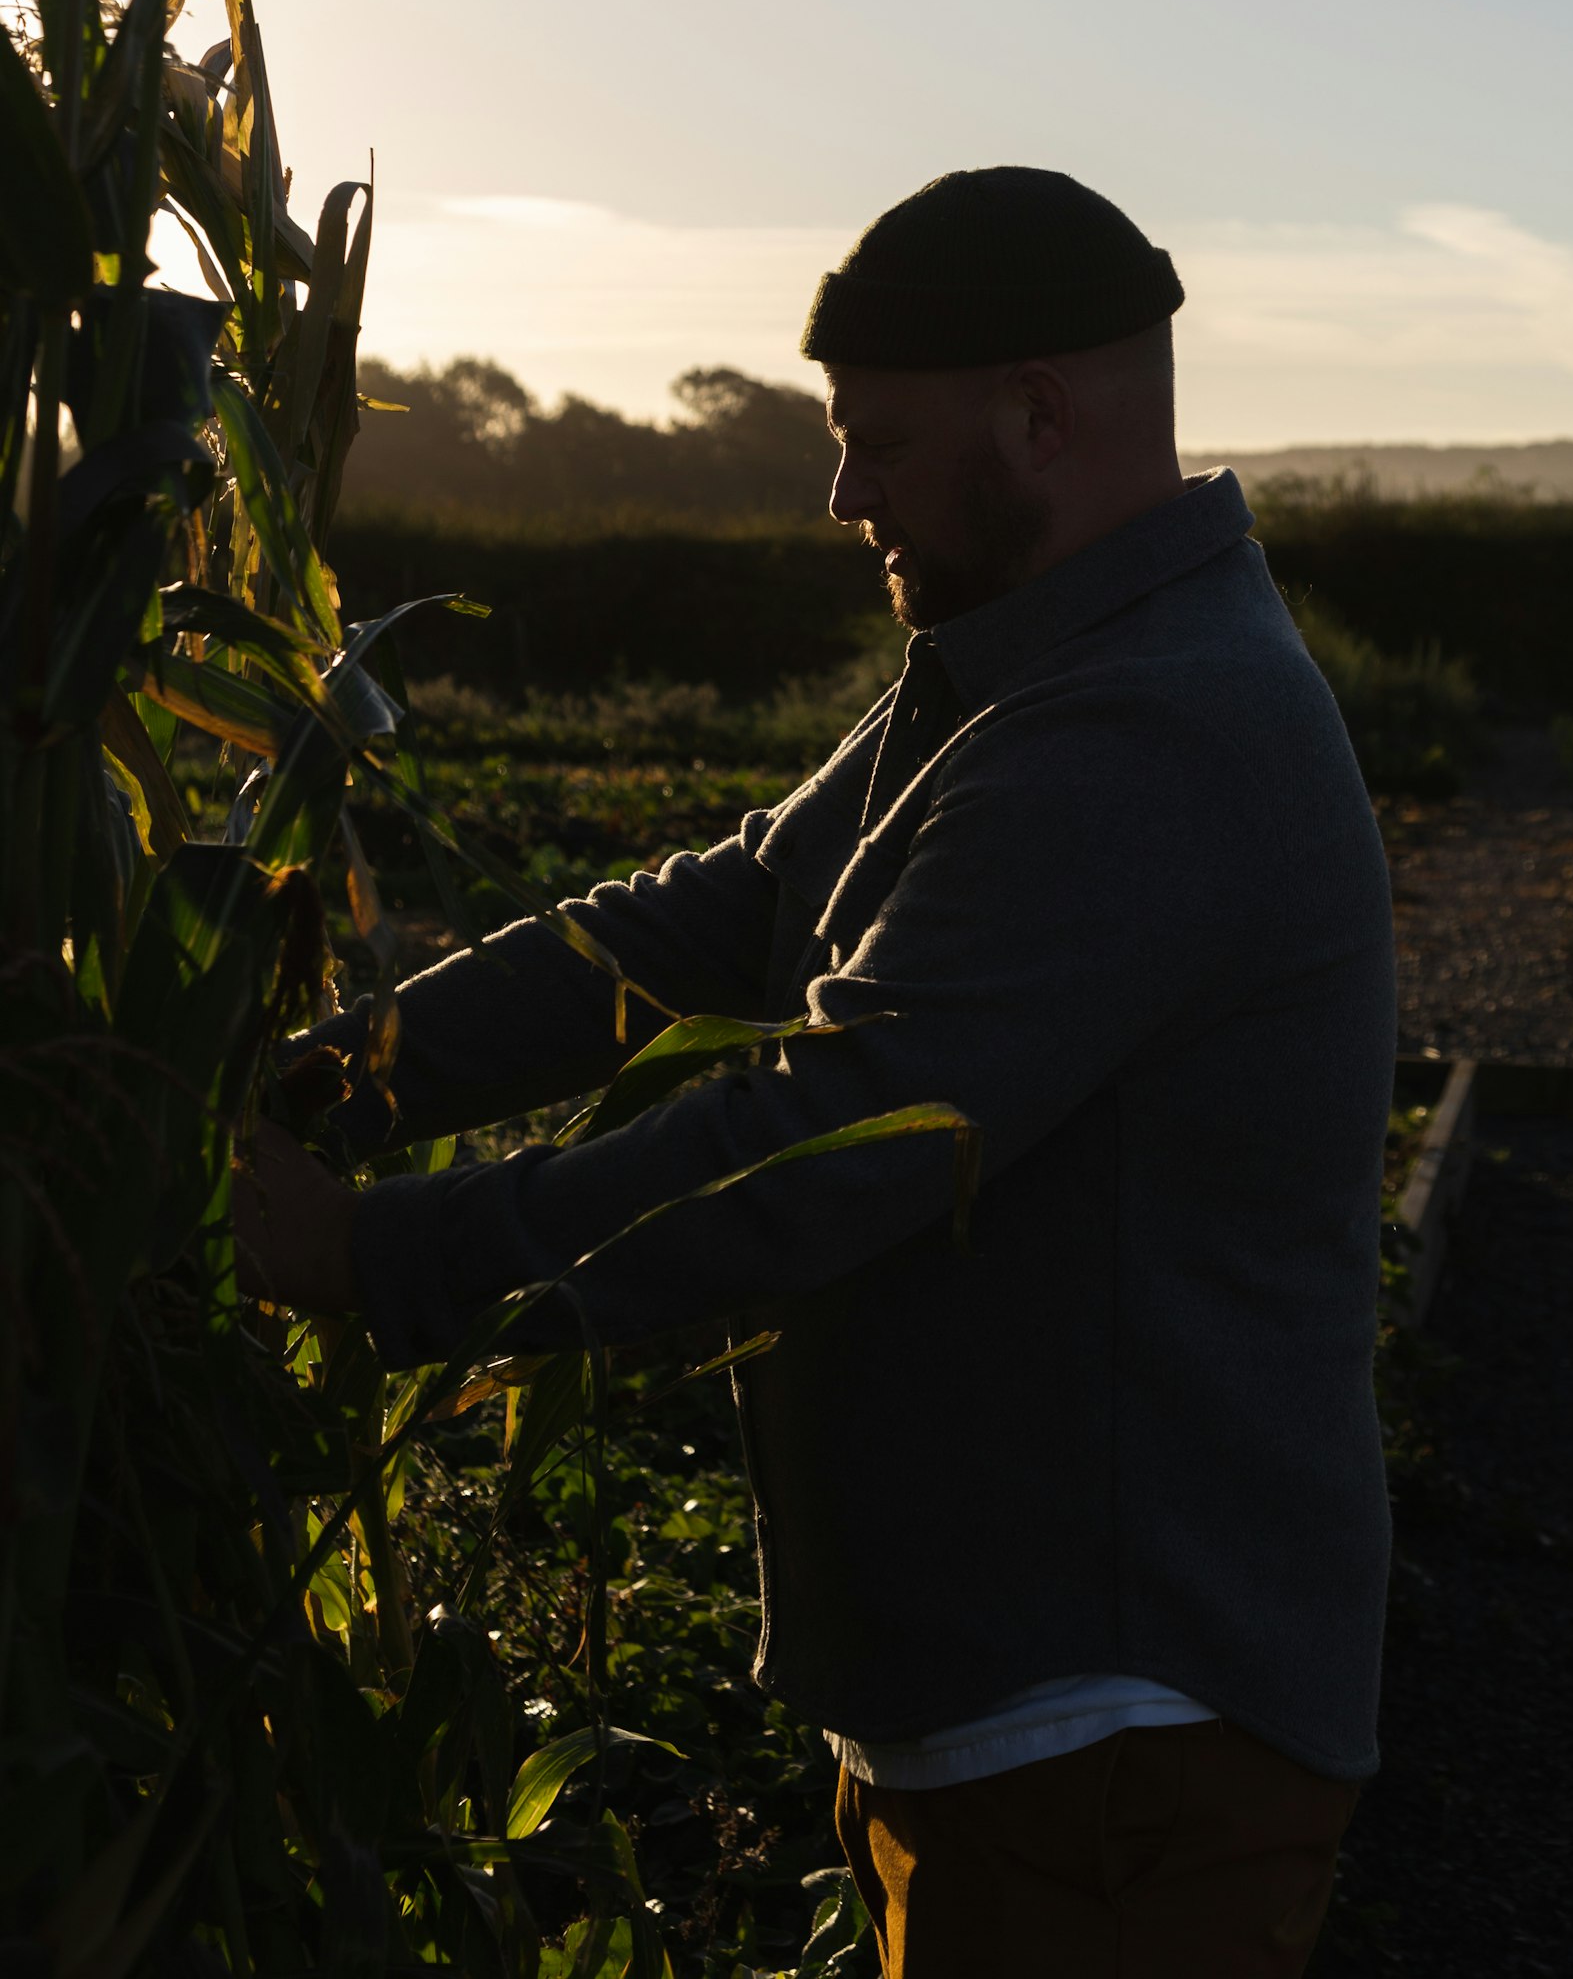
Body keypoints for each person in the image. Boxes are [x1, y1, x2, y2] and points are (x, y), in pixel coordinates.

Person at [239, 166, 1397, 1978]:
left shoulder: (1151, 726)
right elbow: (690, 932)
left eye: (879, 442)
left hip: (1111, 1739)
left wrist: (357, 1257)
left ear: (1040, 413)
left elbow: (822, 1144)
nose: (842, 492)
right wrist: (323, 1087)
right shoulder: (1018, 672)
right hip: (1014, 1726)